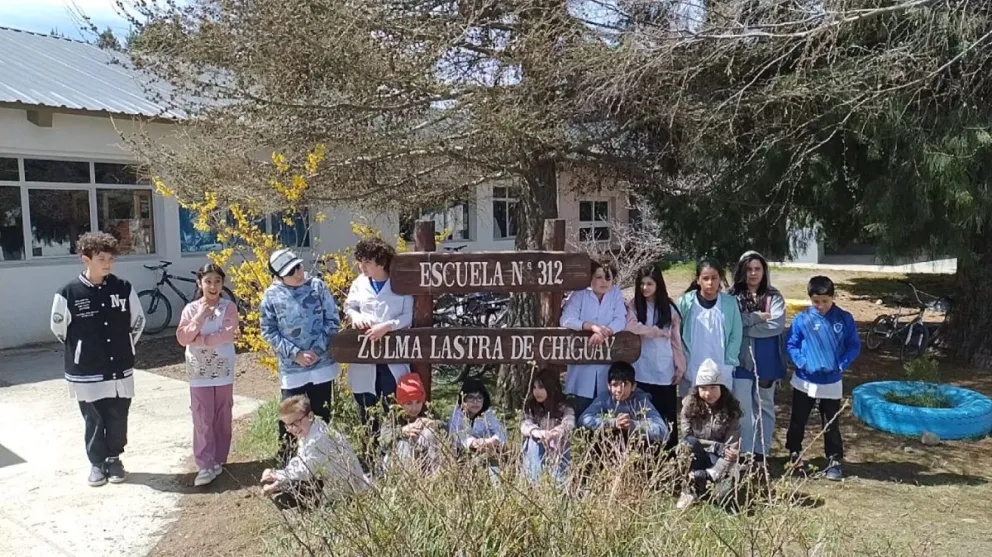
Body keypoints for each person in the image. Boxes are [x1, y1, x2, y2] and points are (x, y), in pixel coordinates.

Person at [50, 232, 145, 487]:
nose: (107, 264)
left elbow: (137, 321)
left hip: (119, 368)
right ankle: (96, 463)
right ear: (86, 259)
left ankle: (114, 459)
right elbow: (59, 329)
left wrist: (126, 346)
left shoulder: (123, 288)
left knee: (117, 414)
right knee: (94, 417)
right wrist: (83, 349)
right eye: (101, 258)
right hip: (86, 370)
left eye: (110, 259)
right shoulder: (68, 293)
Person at [260, 248, 341, 462]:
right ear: (279, 276)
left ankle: (321, 462)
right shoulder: (271, 296)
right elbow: (268, 330)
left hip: (321, 365)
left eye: (298, 267)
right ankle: (287, 464)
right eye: (290, 272)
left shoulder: (317, 286)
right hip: (293, 369)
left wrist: (316, 349)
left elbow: (332, 320)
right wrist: (295, 354)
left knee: (321, 416)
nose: (298, 273)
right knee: (290, 418)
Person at [785, 276, 860, 481]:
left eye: (825, 301)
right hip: (804, 380)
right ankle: (794, 453)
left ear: (832, 297)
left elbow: (854, 345)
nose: (820, 306)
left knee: (831, 423)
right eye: (816, 302)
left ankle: (834, 459)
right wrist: (801, 362)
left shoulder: (844, 319)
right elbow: (791, 344)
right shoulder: (802, 319)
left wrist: (842, 364)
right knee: (798, 420)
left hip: (831, 381)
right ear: (810, 299)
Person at [176, 263, 239, 487]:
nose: (213, 286)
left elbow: (227, 335)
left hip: (222, 369)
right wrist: (200, 317)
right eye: (208, 281)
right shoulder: (191, 309)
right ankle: (204, 463)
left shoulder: (228, 307)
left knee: (222, 415)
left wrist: (200, 340)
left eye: (217, 282)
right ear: (200, 283)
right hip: (199, 371)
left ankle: (218, 459)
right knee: (202, 416)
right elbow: (183, 338)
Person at [343, 237, 413, 427]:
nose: (362, 267)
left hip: (392, 356)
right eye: (360, 262)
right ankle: (369, 453)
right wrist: (356, 317)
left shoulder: (401, 284)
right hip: (366, 355)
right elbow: (349, 306)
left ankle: (397, 452)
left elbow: (408, 316)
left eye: (367, 263)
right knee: (366, 410)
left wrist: (387, 326)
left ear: (382, 263)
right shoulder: (360, 283)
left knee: (395, 408)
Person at [728, 251, 787, 462]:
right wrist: (756, 318)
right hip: (740, 362)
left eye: (757, 269)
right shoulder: (731, 297)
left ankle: (762, 451)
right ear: (742, 271)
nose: (753, 273)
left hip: (767, 361)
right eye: (749, 269)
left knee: (764, 405)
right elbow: (730, 322)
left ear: (764, 271)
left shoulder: (774, 297)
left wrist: (744, 325)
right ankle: (745, 451)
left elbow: (776, 326)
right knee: (742, 407)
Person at [260, 395, 368, 510]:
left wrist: (277, 475)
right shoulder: (312, 428)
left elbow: (306, 470)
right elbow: (301, 460)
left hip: (346, 491)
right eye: (288, 425)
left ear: (310, 416)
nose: (293, 429)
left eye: (296, 422)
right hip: (332, 482)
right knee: (283, 485)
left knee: (285, 498)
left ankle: (325, 509)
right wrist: (277, 477)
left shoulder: (319, 439)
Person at [626, 264, 686, 449]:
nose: (645, 288)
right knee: (643, 418)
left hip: (664, 372)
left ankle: (668, 460)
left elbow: (676, 341)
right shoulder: (634, 305)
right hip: (642, 370)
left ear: (658, 284)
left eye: (649, 283)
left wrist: (680, 366)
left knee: (667, 418)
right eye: (642, 283)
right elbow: (630, 326)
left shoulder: (669, 309)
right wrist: (653, 331)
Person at [561, 260, 627, 417]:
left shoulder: (615, 293)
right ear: (590, 278)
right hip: (581, 367)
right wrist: (592, 327)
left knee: (605, 415)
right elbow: (566, 319)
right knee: (580, 414)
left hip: (606, 364)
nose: (604, 282)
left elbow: (620, 319)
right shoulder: (579, 294)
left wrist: (605, 332)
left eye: (608, 278)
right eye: (599, 277)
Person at [676, 359, 743, 510]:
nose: (708, 393)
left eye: (713, 387)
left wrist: (715, 468)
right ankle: (689, 490)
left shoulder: (731, 408)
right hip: (697, 453)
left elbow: (732, 445)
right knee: (687, 446)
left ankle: (710, 480)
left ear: (721, 387)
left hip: (719, 460)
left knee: (724, 500)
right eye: (703, 388)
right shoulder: (688, 405)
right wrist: (716, 447)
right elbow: (687, 436)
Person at [676, 257, 742, 396]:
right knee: (694, 408)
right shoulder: (686, 302)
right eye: (705, 278)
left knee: (720, 408)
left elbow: (736, 334)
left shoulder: (730, 303)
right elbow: (677, 333)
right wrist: (683, 360)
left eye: (714, 278)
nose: (710, 283)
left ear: (720, 279)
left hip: (721, 364)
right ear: (698, 280)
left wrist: (728, 362)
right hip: (693, 365)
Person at [578, 362, 669, 452]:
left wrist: (633, 425)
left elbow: (662, 431)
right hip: (608, 449)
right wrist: (612, 423)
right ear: (609, 386)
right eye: (615, 385)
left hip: (637, 450)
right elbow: (584, 419)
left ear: (633, 386)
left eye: (625, 384)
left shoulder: (641, 401)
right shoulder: (605, 399)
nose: (619, 390)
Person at [520, 367, 575, 484]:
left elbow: (569, 423)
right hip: (535, 450)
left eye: (541, 387)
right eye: (534, 388)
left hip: (557, 448)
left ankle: (559, 486)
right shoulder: (531, 406)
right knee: (535, 442)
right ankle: (534, 483)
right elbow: (525, 424)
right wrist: (537, 432)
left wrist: (554, 433)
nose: (537, 392)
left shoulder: (563, 407)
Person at [379, 373, 442, 474]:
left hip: (424, 459)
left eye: (418, 402)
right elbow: (383, 440)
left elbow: (446, 428)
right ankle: (407, 483)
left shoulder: (427, 411)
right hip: (400, 460)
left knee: (429, 433)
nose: (414, 408)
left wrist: (433, 423)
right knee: (404, 443)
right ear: (401, 403)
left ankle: (435, 478)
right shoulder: (394, 415)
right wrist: (402, 431)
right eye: (409, 403)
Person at [448, 378, 506, 474]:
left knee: (492, 452)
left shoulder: (488, 413)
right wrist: (473, 442)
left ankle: (496, 484)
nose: (475, 402)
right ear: (463, 399)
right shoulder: (457, 414)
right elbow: (455, 433)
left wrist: (493, 440)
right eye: (471, 398)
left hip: (486, 448)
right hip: (461, 453)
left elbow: (500, 431)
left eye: (479, 398)